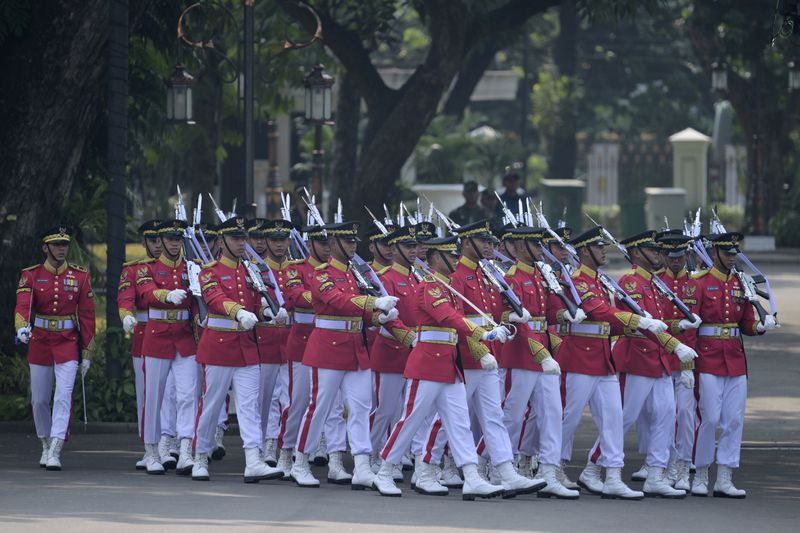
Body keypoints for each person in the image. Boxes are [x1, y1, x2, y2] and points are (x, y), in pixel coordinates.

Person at [373, 236, 506, 500]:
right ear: (435, 259)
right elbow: (448, 316)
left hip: (448, 362)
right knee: (411, 419)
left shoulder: (448, 287)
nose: (457, 260)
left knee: (459, 423)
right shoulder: (430, 287)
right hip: (427, 362)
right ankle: (385, 472)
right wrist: (484, 334)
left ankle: (471, 477)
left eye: (457, 255)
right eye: (451, 256)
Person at [421, 220, 543, 497]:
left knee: (494, 416)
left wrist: (510, 319)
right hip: (467, 355)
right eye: (483, 241)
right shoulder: (455, 276)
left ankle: (506, 471)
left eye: (490, 240)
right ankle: (425, 468)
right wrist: (480, 350)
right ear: (466, 244)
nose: (490, 245)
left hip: (487, 353)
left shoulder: (485, 272)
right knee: (449, 418)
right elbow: (457, 320)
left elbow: (490, 314)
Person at [582, 230, 700, 499]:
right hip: (636, 358)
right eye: (654, 250)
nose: (660, 254)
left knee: (666, 416)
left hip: (656, 357)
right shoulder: (631, 283)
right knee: (623, 419)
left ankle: (656, 475)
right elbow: (640, 326)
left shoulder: (655, 284)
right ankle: (592, 468)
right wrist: (675, 345)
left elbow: (657, 324)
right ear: (637, 253)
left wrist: (677, 332)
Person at [557, 226, 667, 500]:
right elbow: (599, 310)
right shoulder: (577, 281)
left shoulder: (600, 280)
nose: (603, 251)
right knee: (568, 419)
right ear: (584, 251)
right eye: (598, 247)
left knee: (614, 418)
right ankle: (551, 468)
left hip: (603, 357)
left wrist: (638, 328)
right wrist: (639, 320)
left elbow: (609, 323)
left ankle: (613, 476)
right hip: (580, 357)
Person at [290, 221, 399, 489]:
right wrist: (373, 303)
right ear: (335, 243)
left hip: (355, 346)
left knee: (361, 408)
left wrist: (379, 316)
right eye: (347, 241)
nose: (353, 246)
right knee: (320, 407)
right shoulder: (321, 274)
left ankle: (362, 465)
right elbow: (336, 301)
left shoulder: (356, 275)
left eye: (354, 241)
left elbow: (358, 311)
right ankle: (300, 461)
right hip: (327, 347)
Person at [191, 217, 283, 483]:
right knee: (212, 404)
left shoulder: (252, 270)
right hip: (219, 345)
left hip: (246, 346)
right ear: (222, 241)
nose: (242, 243)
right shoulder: (210, 271)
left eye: (243, 238)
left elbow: (259, 301)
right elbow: (214, 298)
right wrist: (239, 311)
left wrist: (269, 312)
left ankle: (253, 460)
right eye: (235, 238)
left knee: (250, 407)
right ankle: (200, 455)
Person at [494, 226, 581, 499]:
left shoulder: (541, 273)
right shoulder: (511, 277)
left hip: (543, 351)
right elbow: (513, 320)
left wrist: (566, 315)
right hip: (521, 353)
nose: (541, 249)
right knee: (512, 415)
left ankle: (548, 471)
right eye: (535, 244)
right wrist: (541, 354)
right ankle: (501, 469)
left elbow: (547, 312)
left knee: (553, 412)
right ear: (520, 246)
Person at [690, 232, 777, 498]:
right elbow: (691, 327)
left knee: (734, 420)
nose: (731, 258)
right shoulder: (700, 283)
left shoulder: (741, 282)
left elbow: (745, 322)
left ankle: (725, 476)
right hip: (708, 358)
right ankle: (702, 472)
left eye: (733, 254)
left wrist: (759, 326)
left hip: (735, 360)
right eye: (726, 253)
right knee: (710, 418)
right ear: (714, 254)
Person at [15, 225, 96, 470]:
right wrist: (21, 327)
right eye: (56, 245)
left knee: (63, 396)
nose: (62, 249)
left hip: (67, 342)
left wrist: (87, 350)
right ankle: (45, 442)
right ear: (45, 247)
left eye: (64, 244)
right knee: (39, 400)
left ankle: (56, 448)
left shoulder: (80, 276)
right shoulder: (31, 275)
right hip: (40, 341)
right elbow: (22, 305)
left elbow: (88, 315)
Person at [135, 219, 199, 475]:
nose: (174, 243)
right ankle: (151, 451)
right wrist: (165, 295)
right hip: (157, 336)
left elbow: (197, 299)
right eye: (169, 239)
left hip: (183, 338)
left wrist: (198, 316)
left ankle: (185, 449)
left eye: (177, 239)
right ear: (159, 241)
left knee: (187, 395)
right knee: (154, 398)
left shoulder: (191, 268)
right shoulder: (146, 268)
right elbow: (145, 292)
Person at [369, 225, 420, 480]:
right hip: (391, 349)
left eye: (415, 246)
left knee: (406, 410)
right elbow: (385, 317)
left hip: (415, 349)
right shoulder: (385, 278)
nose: (414, 251)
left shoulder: (416, 277)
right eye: (408, 246)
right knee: (385, 410)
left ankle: (392, 457)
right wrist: (408, 336)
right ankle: (368, 454)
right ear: (394, 248)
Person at [118, 219, 162, 470]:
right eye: (152, 240)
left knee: (178, 394)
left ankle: (172, 444)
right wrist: (127, 317)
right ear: (143, 242)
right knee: (147, 394)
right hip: (144, 332)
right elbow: (125, 299)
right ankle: (149, 446)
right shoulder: (133, 270)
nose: (157, 245)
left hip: (176, 333)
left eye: (161, 240)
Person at [248, 219, 292, 465]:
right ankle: (264, 444)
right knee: (264, 399)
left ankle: (280, 446)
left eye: (282, 240)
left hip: (290, 339)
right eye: (273, 240)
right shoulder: (255, 270)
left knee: (289, 399)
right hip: (265, 339)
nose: (278, 245)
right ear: (265, 241)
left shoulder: (294, 269)